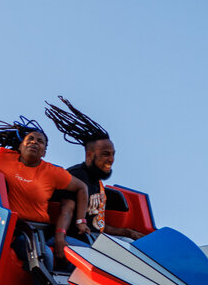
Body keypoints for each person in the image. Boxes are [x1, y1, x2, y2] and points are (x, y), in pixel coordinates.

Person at [0, 116, 89, 270]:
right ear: (20, 146)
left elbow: (82, 188)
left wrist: (81, 221)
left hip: (43, 232)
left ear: (44, 152)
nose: (34, 142)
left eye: (40, 141)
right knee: (44, 255)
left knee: (85, 253)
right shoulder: (2, 158)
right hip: (18, 232)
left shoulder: (52, 172)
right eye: (30, 139)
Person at [45, 96, 144, 244]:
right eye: (105, 154)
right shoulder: (76, 175)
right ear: (90, 154)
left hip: (95, 238)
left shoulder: (97, 182)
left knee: (136, 246)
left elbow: (98, 226)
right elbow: (67, 210)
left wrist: (127, 232)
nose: (111, 159)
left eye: (112, 154)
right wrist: (60, 238)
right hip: (76, 240)